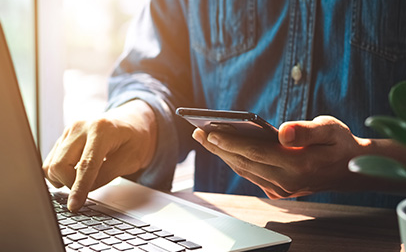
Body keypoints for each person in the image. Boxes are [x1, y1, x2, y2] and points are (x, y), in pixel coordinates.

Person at [43, 0, 406, 212]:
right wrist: (138, 120)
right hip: (224, 232)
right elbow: (158, 73)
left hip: (381, 237)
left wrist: (363, 162)